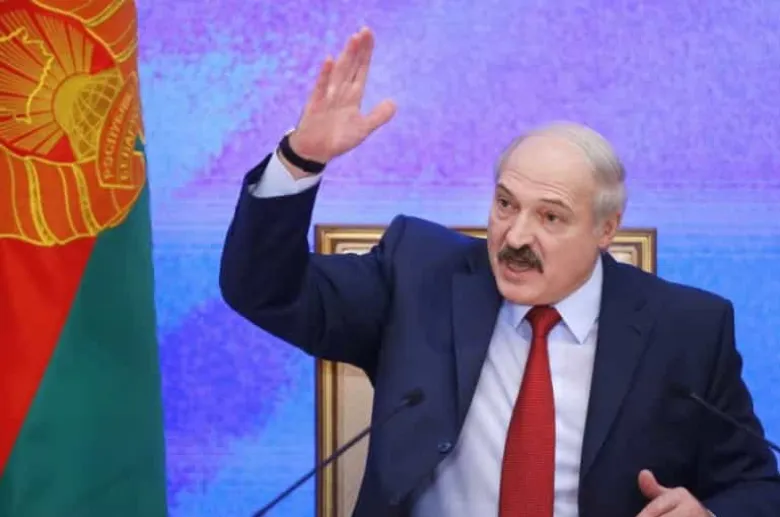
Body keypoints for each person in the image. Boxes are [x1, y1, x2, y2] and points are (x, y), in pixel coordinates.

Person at [219, 27, 780, 517]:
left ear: (606, 229)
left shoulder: (686, 328)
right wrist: (301, 161)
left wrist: (709, 513)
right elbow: (264, 290)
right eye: (506, 204)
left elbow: (756, 486)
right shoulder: (418, 276)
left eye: (551, 217)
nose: (515, 238)